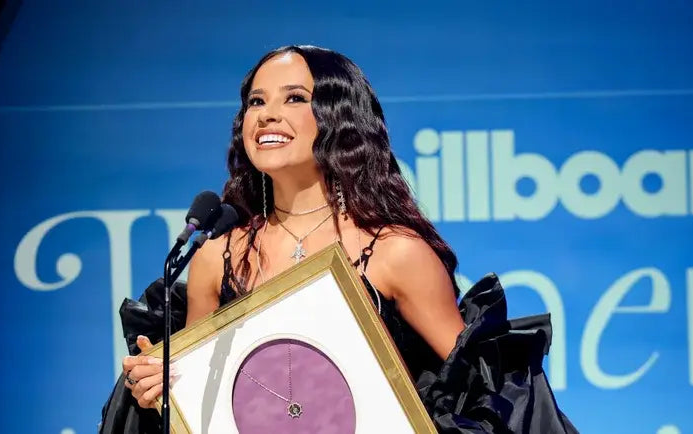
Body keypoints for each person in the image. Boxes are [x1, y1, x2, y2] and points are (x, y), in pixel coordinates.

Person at [100, 45, 578, 434]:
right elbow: (203, 408)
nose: (266, 116)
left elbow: (481, 390)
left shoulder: (394, 252)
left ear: (338, 116)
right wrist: (162, 390)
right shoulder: (215, 255)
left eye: (293, 98)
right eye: (255, 102)